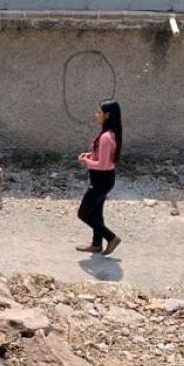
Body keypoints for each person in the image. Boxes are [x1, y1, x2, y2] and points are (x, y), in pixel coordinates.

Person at [76, 99, 123, 256]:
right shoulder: (110, 133)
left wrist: (86, 161)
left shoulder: (105, 137)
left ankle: (111, 238)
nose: (96, 115)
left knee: (83, 213)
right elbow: (105, 156)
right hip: (105, 179)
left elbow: (102, 165)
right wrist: (90, 155)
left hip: (101, 180)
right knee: (96, 213)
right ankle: (97, 244)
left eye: (99, 112)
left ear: (107, 115)